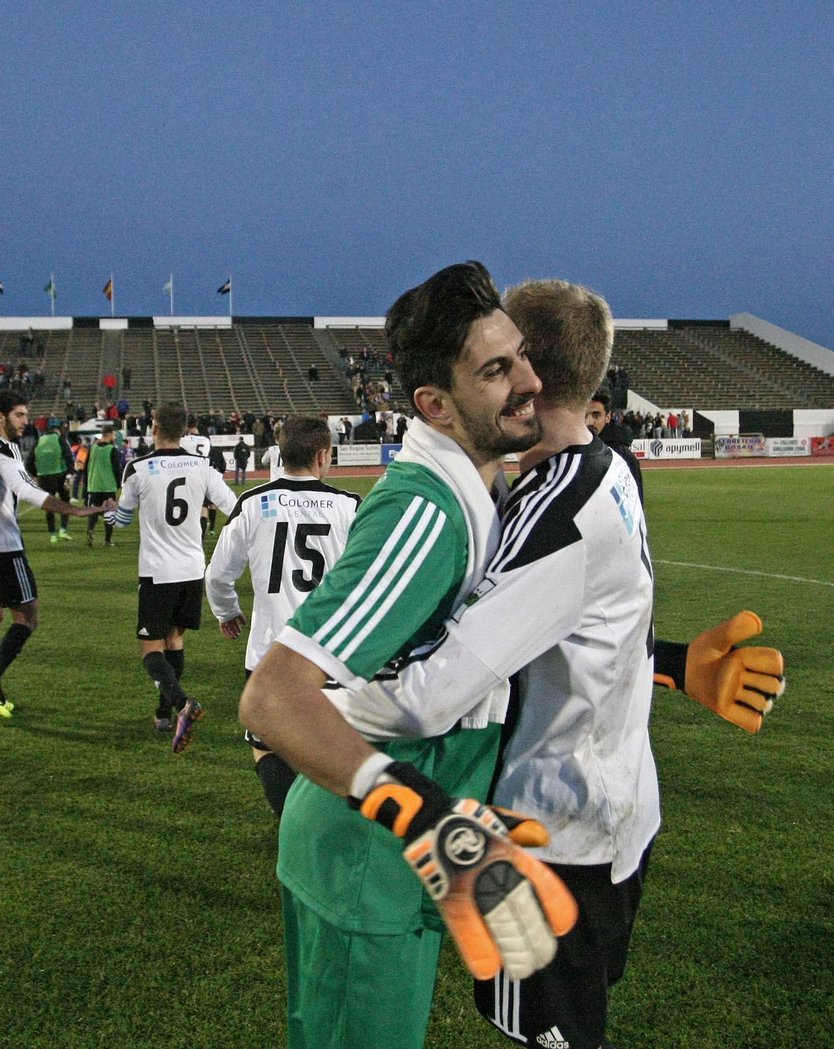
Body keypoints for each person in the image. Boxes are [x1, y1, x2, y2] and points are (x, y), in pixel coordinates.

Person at [330, 280, 783, 1049]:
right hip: (615, 814)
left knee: (550, 1035)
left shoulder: (551, 516)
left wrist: (319, 704)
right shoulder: (606, 468)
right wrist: (670, 663)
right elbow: (584, 632)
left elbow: (423, 700)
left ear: (524, 370)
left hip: (550, 838)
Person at [239, 261, 553, 1049]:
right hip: (364, 865)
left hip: (392, 862)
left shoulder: (477, 489)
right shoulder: (423, 511)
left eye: (520, 356)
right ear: (434, 405)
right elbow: (272, 699)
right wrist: (420, 811)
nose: (529, 382)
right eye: (496, 370)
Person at [205, 417, 360, 817]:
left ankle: (292, 832)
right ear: (323, 455)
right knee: (333, 754)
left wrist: (227, 612)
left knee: (267, 747)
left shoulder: (253, 503)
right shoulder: (351, 506)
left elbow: (218, 575)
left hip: (270, 656)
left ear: (279, 453)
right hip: (334, 658)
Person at [0, 391, 111, 719]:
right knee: (27, 617)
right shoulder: (1, 451)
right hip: (1, 548)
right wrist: (80, 511)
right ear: (0, 416)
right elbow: (28, 492)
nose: (26, 422)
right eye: (19, 415)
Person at [105, 403, 239, 752]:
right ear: (184, 430)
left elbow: (120, 521)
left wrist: (109, 514)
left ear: (154, 428)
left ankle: (183, 705)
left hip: (158, 570)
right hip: (193, 568)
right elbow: (234, 507)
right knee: (175, 640)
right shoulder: (202, 466)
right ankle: (163, 714)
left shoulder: (137, 468)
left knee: (151, 648)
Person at [586, 386, 643, 503]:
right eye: (584, 416)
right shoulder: (570, 449)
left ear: (608, 417)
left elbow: (635, 504)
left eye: (596, 415)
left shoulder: (623, 455)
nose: (589, 422)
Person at [32, 423, 75, 543]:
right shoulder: (60, 439)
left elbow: (29, 461)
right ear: (57, 432)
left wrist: (35, 474)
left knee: (49, 505)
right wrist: (70, 473)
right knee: (65, 503)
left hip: (44, 477)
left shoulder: (38, 441)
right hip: (60, 474)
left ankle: (53, 535)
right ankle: (63, 531)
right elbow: (68, 456)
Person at [83, 427, 122, 548]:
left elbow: (86, 467)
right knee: (109, 513)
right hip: (108, 486)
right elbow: (117, 469)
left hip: (94, 486)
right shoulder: (112, 450)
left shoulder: (92, 448)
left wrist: (86, 484)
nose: (115, 438)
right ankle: (107, 540)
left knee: (94, 511)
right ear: (109, 435)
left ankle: (90, 529)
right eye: (114, 435)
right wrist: (119, 483)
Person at [178, 415, 215, 538]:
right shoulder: (205, 441)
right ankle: (201, 540)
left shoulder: (182, 441)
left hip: (187, 478)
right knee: (203, 509)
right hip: (202, 477)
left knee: (185, 509)